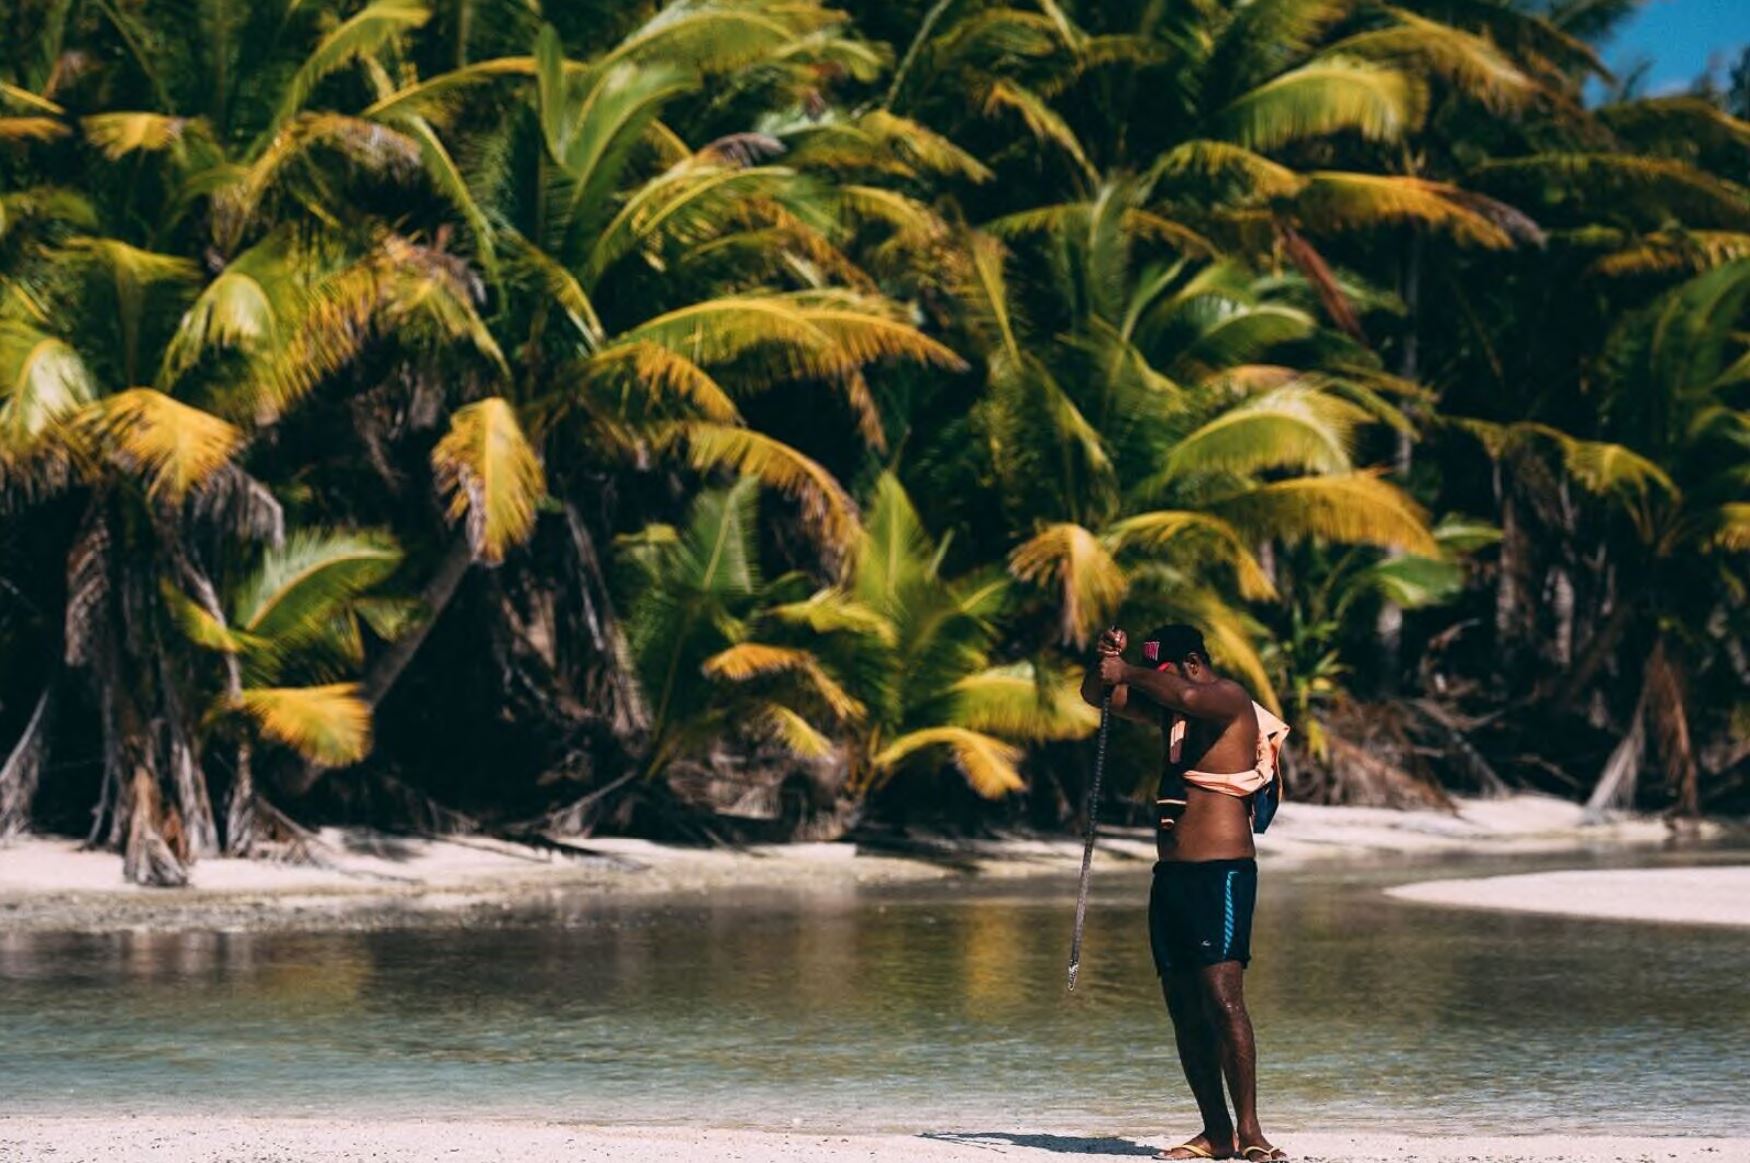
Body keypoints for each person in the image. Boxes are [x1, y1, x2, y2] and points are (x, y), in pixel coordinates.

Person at [1079, 624, 1287, 1162]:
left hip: (1221, 875)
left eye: (1163, 674)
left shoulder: (1226, 699)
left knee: (1223, 999)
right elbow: (1101, 696)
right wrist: (1104, 663)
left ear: (1192, 662)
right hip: (1169, 878)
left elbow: (1186, 694)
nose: (1158, 686)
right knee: (1182, 1007)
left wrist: (1131, 672)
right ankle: (1216, 1133)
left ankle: (1252, 1133)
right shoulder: (1175, 715)